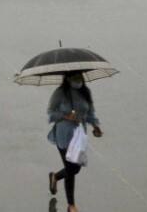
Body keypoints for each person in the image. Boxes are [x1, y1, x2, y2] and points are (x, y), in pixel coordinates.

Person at [46, 73, 102, 211]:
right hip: (63, 135)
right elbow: (50, 114)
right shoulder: (60, 93)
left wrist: (95, 126)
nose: (78, 80)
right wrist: (66, 116)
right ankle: (71, 205)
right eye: (74, 78)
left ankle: (55, 176)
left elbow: (90, 113)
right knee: (71, 168)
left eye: (79, 77)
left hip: (79, 136)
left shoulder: (85, 92)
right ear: (68, 78)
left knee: (75, 168)